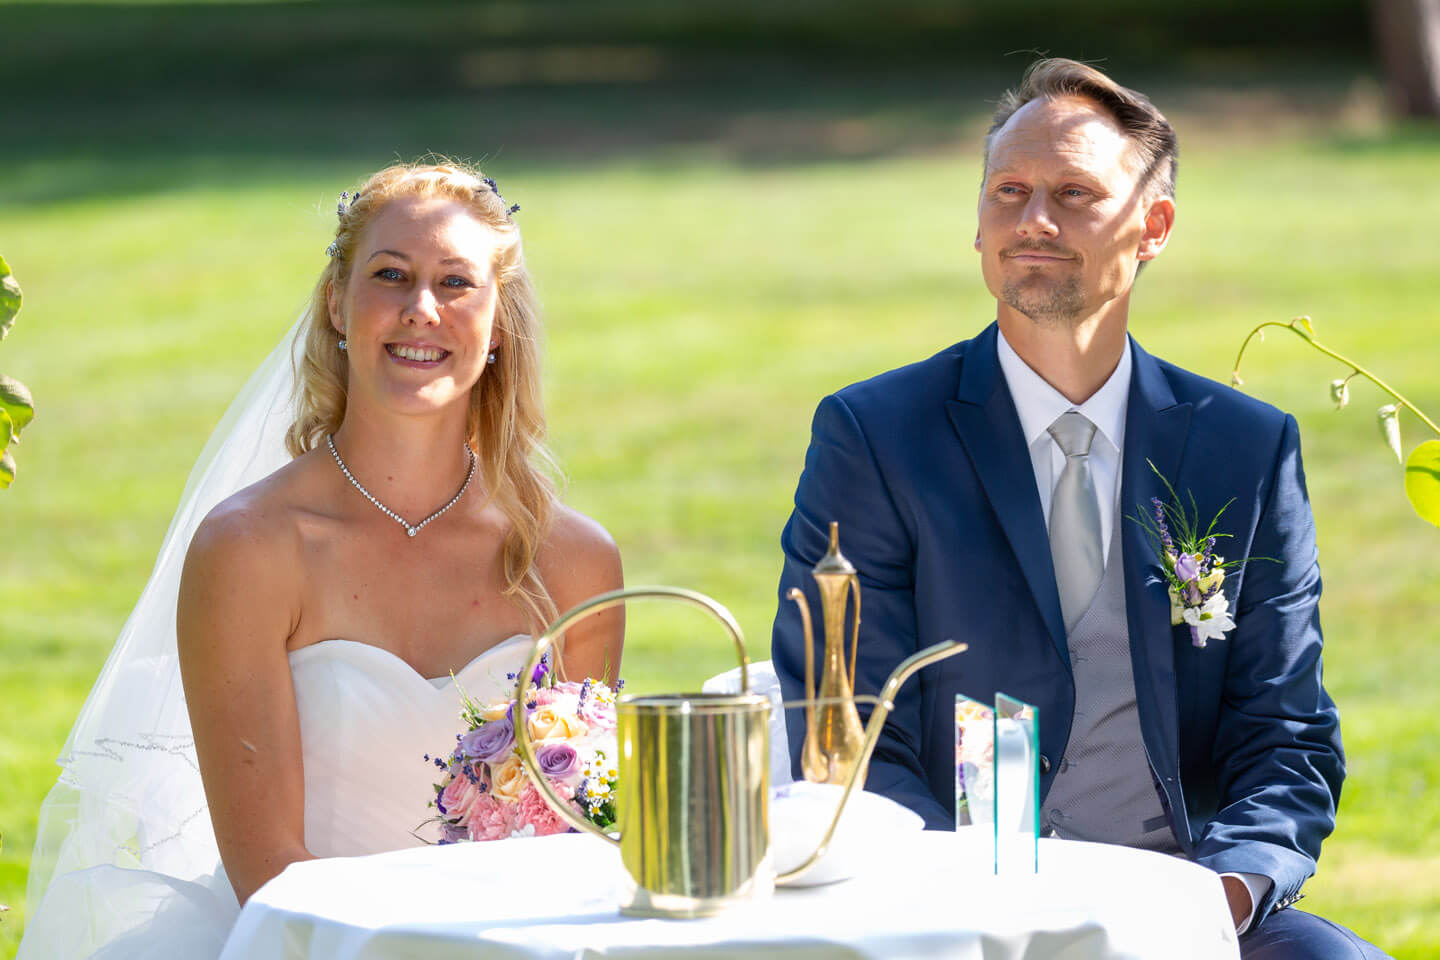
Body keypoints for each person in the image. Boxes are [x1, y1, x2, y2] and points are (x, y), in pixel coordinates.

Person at [771, 60, 1387, 958]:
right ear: (978, 224)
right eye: (1009, 191)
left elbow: (1284, 736)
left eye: (1074, 192)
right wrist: (971, 909)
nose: (1033, 221)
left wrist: (1221, 898)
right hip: (955, 915)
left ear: (1154, 227)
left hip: (1193, 906)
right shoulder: (875, 436)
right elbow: (849, 730)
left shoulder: (1244, 448)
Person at [20, 160, 624, 958]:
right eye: (390, 275)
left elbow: (586, 842)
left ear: (498, 324)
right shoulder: (252, 550)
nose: (421, 310)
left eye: (455, 283)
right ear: (337, 304)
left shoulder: (575, 563)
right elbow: (270, 875)